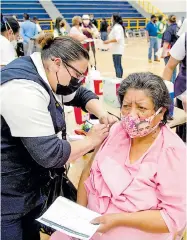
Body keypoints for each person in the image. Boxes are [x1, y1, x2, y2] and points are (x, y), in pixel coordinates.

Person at [1, 34, 118, 240]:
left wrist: (102, 114)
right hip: (7, 194)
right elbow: (50, 154)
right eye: (77, 75)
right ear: (57, 63)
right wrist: (91, 141)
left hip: (29, 188)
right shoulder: (23, 88)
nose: (78, 81)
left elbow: (80, 94)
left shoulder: (48, 72)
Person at [51, 72, 186, 240]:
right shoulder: (115, 131)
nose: (131, 115)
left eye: (141, 108)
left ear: (161, 112)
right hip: (90, 226)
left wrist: (118, 220)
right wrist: (80, 219)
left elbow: (173, 218)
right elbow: (88, 173)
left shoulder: (172, 152)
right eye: (126, 106)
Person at [163, 32, 187, 142]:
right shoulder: (185, 38)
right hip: (183, 97)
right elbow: (169, 68)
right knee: (182, 137)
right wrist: (164, 98)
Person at [104, 13, 125, 78]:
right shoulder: (115, 27)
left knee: (117, 65)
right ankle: (119, 78)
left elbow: (117, 39)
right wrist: (108, 31)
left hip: (117, 49)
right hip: (116, 49)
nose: (111, 19)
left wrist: (108, 41)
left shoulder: (117, 27)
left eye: (111, 18)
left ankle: (118, 79)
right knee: (118, 65)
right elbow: (112, 36)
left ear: (114, 19)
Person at [161, 15, 179, 83]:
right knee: (174, 70)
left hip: (169, 52)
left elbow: (166, 42)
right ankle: (173, 85)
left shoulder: (169, 29)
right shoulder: (178, 28)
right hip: (177, 52)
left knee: (169, 69)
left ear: (168, 20)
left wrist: (163, 53)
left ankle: (170, 87)